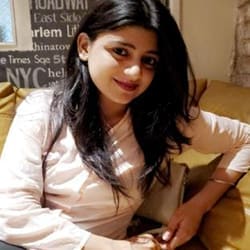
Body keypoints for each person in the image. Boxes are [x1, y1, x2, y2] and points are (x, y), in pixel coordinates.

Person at [0, 0, 249, 249]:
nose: (134, 72)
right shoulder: (42, 109)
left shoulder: (166, 120)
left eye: (149, 60)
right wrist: (116, 248)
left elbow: (245, 139)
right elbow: (11, 212)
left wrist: (198, 206)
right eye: (120, 52)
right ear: (85, 47)